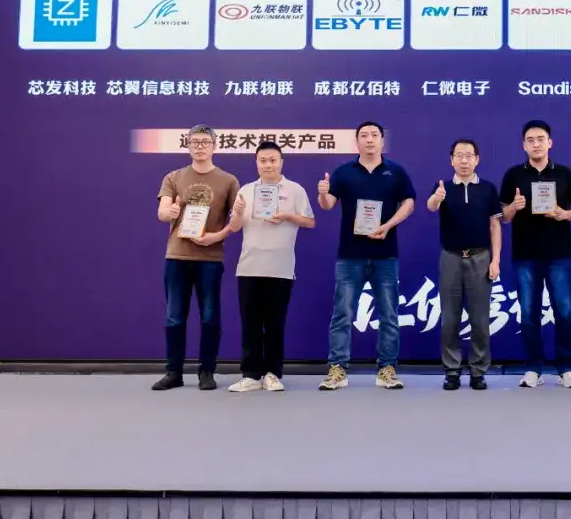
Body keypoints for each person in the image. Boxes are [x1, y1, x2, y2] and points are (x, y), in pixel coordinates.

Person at [316, 121, 416, 391]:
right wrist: (323, 194)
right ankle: (337, 369)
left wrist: (388, 225)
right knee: (342, 313)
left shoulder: (395, 172)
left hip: (385, 255)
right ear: (357, 141)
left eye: (374, 135)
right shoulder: (343, 172)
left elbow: (409, 202)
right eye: (364, 135)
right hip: (350, 255)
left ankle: (387, 369)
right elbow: (327, 205)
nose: (369, 139)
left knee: (389, 314)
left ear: (382, 140)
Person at [153, 124, 239, 391]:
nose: (200, 147)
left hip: (210, 257)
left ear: (215, 146)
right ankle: (173, 372)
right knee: (174, 316)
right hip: (177, 255)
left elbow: (237, 220)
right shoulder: (174, 177)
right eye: (195, 142)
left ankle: (207, 371)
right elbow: (162, 212)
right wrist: (170, 212)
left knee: (210, 316)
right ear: (187, 145)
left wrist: (218, 236)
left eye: (205, 142)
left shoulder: (228, 180)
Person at [226, 141, 316, 393]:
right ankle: (251, 375)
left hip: (281, 268)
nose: (268, 165)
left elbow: (310, 221)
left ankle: (273, 374)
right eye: (263, 160)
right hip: (249, 266)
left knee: (275, 323)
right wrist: (238, 212)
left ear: (281, 163)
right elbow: (234, 227)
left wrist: (287, 216)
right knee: (251, 324)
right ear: (256, 163)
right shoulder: (246, 190)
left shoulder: (295, 190)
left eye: (273, 160)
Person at [500, 120, 571, 389]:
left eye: (540, 139)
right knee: (528, 313)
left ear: (550, 143)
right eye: (530, 140)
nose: (536, 144)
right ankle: (533, 367)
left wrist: (563, 214)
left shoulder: (565, 174)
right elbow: (504, 217)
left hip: (559, 254)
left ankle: (566, 367)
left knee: (565, 312)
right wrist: (514, 207)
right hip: (525, 254)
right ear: (524, 145)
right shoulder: (513, 175)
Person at [427, 139, 502, 391]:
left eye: (469, 155)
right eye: (459, 155)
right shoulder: (444, 187)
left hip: (481, 257)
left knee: (480, 318)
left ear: (477, 159)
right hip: (451, 257)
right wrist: (436, 198)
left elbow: (495, 225)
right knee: (450, 317)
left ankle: (478, 370)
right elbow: (430, 207)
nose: (464, 160)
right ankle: (452, 370)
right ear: (451, 160)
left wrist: (496, 259)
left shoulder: (488, 188)